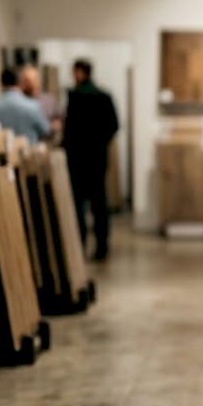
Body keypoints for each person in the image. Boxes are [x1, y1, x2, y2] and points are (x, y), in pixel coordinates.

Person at [61, 59, 119, 261]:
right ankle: (102, 246)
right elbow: (113, 126)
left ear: (80, 72)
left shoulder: (75, 97)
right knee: (99, 204)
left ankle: (81, 244)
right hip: (97, 158)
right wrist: (100, 143)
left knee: (79, 205)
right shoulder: (104, 96)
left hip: (77, 159)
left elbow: (69, 131)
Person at [0, 68, 51, 143]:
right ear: (20, 83)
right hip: (28, 152)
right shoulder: (32, 105)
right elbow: (46, 131)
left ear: (1, 83)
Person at [19, 64, 63, 141]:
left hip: (48, 142)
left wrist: (52, 126)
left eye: (34, 79)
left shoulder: (49, 100)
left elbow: (59, 120)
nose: (32, 84)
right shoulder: (19, 102)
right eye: (28, 80)